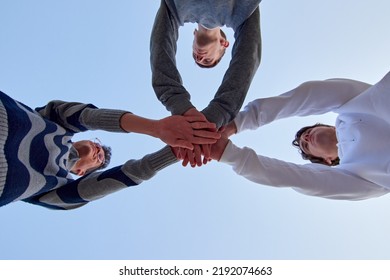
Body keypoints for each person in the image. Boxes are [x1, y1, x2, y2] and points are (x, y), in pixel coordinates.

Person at [0, 90, 220, 209]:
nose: (98, 149)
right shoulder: (55, 122)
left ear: (81, 173)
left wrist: (180, 149)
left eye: (100, 158)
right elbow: (90, 117)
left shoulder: (54, 191)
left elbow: (131, 173)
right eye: (98, 145)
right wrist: (156, 128)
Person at [208, 70, 390, 201]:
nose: (305, 138)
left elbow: (308, 96)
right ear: (326, 161)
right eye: (306, 146)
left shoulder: (352, 106)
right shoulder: (363, 179)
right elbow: (300, 179)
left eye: (308, 132)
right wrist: (228, 154)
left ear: (329, 126)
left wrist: (237, 123)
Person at [150, 0, 262, 129]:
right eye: (208, 60)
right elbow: (248, 55)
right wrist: (219, 111)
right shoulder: (240, 12)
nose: (199, 58)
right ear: (224, 43)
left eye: (195, 57)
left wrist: (178, 103)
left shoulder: (175, 9)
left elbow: (159, 45)